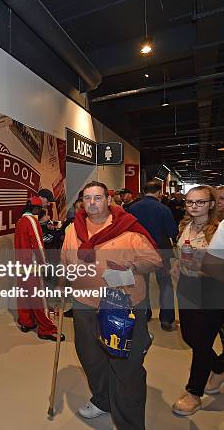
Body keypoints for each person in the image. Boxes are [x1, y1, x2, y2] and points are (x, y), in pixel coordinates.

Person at [61, 181, 161, 429]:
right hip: (84, 304)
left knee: (126, 368)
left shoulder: (128, 229)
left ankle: (130, 422)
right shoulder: (73, 229)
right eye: (87, 198)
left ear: (108, 200)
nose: (92, 203)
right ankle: (102, 399)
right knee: (91, 358)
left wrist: (132, 268)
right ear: (81, 202)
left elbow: (155, 260)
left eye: (97, 198)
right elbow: (65, 259)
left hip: (122, 307)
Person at [170, 185, 224, 416]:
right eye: (190, 202)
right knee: (188, 336)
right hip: (186, 286)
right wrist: (177, 263)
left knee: (201, 342)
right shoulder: (185, 225)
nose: (193, 206)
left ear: (211, 204)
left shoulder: (218, 230)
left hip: (212, 290)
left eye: (200, 202)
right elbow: (182, 252)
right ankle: (220, 366)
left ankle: (194, 392)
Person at [128, 179, 179, 330]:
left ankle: (144, 314)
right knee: (165, 284)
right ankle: (167, 319)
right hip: (161, 251)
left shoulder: (132, 208)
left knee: (141, 284)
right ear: (158, 192)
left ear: (144, 192)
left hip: (138, 252)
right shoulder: (163, 209)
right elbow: (172, 232)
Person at [15, 196, 64, 341]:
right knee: (39, 298)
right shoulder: (32, 221)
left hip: (21, 264)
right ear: (36, 209)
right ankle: (47, 329)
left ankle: (26, 321)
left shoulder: (20, 221)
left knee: (24, 295)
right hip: (33, 265)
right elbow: (38, 244)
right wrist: (44, 264)